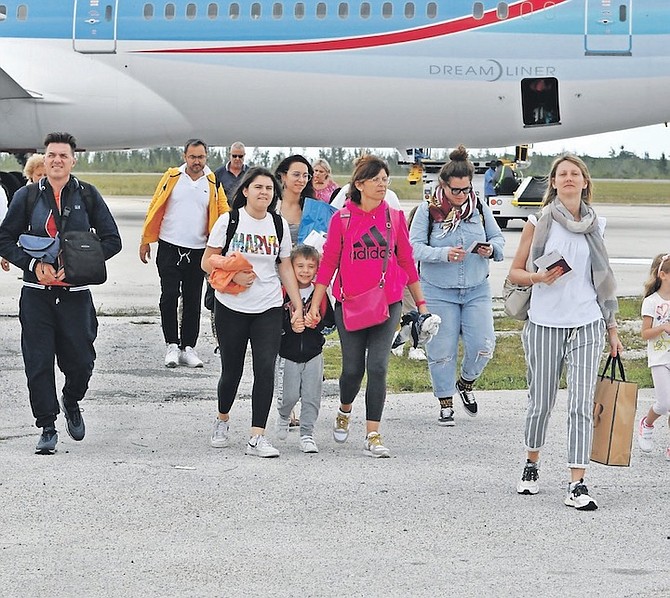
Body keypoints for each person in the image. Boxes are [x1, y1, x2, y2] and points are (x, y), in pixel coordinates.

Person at [508, 153, 622, 510]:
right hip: (545, 322)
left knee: (580, 405)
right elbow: (514, 273)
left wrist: (612, 329)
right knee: (541, 401)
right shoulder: (537, 221)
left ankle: (577, 482)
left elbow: (603, 282)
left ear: (585, 182)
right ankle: (531, 462)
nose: (569, 178)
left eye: (575, 173)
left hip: (586, 322)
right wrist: (538, 277)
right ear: (553, 183)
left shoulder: (596, 225)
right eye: (562, 174)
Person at [0, 132, 122, 454]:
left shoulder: (89, 195)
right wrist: (31, 264)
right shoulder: (26, 196)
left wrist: (79, 264)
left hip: (76, 296)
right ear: (45, 157)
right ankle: (47, 426)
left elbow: (112, 240)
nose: (56, 160)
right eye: (51, 155)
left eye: (63, 155)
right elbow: (4, 238)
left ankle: (71, 398)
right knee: (38, 362)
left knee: (81, 362)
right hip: (36, 295)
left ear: (73, 159)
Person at [306, 155, 433, 458]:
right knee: (352, 369)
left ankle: (372, 434)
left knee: (377, 367)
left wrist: (421, 303)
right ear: (359, 184)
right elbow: (329, 264)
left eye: (385, 178)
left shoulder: (395, 218)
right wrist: (315, 302)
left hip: (386, 303)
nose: (382, 184)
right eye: (375, 179)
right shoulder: (342, 219)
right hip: (349, 304)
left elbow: (406, 261)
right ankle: (344, 408)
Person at [202, 167, 303, 458]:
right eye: (258, 187)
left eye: (269, 189)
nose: (264, 193)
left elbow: (284, 265)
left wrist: (296, 303)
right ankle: (222, 419)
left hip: (268, 307)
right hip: (231, 306)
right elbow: (207, 262)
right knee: (232, 370)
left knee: (265, 370)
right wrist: (232, 277)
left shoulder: (278, 225)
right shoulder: (229, 220)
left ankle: (257, 437)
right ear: (245, 191)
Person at [409, 145, 505, 426]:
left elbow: (499, 240)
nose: (461, 197)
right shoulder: (428, 211)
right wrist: (443, 254)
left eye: (466, 190)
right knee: (441, 349)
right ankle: (445, 401)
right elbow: (414, 248)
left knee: (483, 345)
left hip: (476, 288)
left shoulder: (480, 209)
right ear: (444, 185)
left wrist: (492, 250)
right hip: (438, 290)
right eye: (456, 191)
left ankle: (466, 382)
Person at [140, 138, 229, 368]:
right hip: (169, 246)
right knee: (169, 296)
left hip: (198, 249)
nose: (196, 161)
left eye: (200, 157)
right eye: (192, 157)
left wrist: (223, 246)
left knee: (192, 299)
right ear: (184, 156)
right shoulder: (172, 177)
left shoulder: (213, 181)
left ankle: (188, 347)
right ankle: (171, 345)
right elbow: (154, 206)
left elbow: (223, 213)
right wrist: (145, 240)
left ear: (206, 157)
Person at [275, 244, 335, 453]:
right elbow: (273, 322)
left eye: (310, 266)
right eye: (300, 266)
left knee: (312, 397)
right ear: (290, 267)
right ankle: (284, 415)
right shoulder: (282, 291)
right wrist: (289, 325)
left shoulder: (320, 292)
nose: (305, 271)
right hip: (288, 354)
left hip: (313, 354)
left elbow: (330, 323)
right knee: (289, 396)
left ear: (317, 268)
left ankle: (307, 434)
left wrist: (317, 322)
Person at [638, 253, 670, 459]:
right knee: (665, 403)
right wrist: (663, 327)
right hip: (659, 358)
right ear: (664, 275)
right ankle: (647, 423)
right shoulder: (651, 302)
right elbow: (645, 333)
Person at [275, 154, 314, 245]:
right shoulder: (270, 206)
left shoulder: (313, 208)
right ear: (283, 176)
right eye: (296, 174)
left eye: (305, 176)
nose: (301, 180)